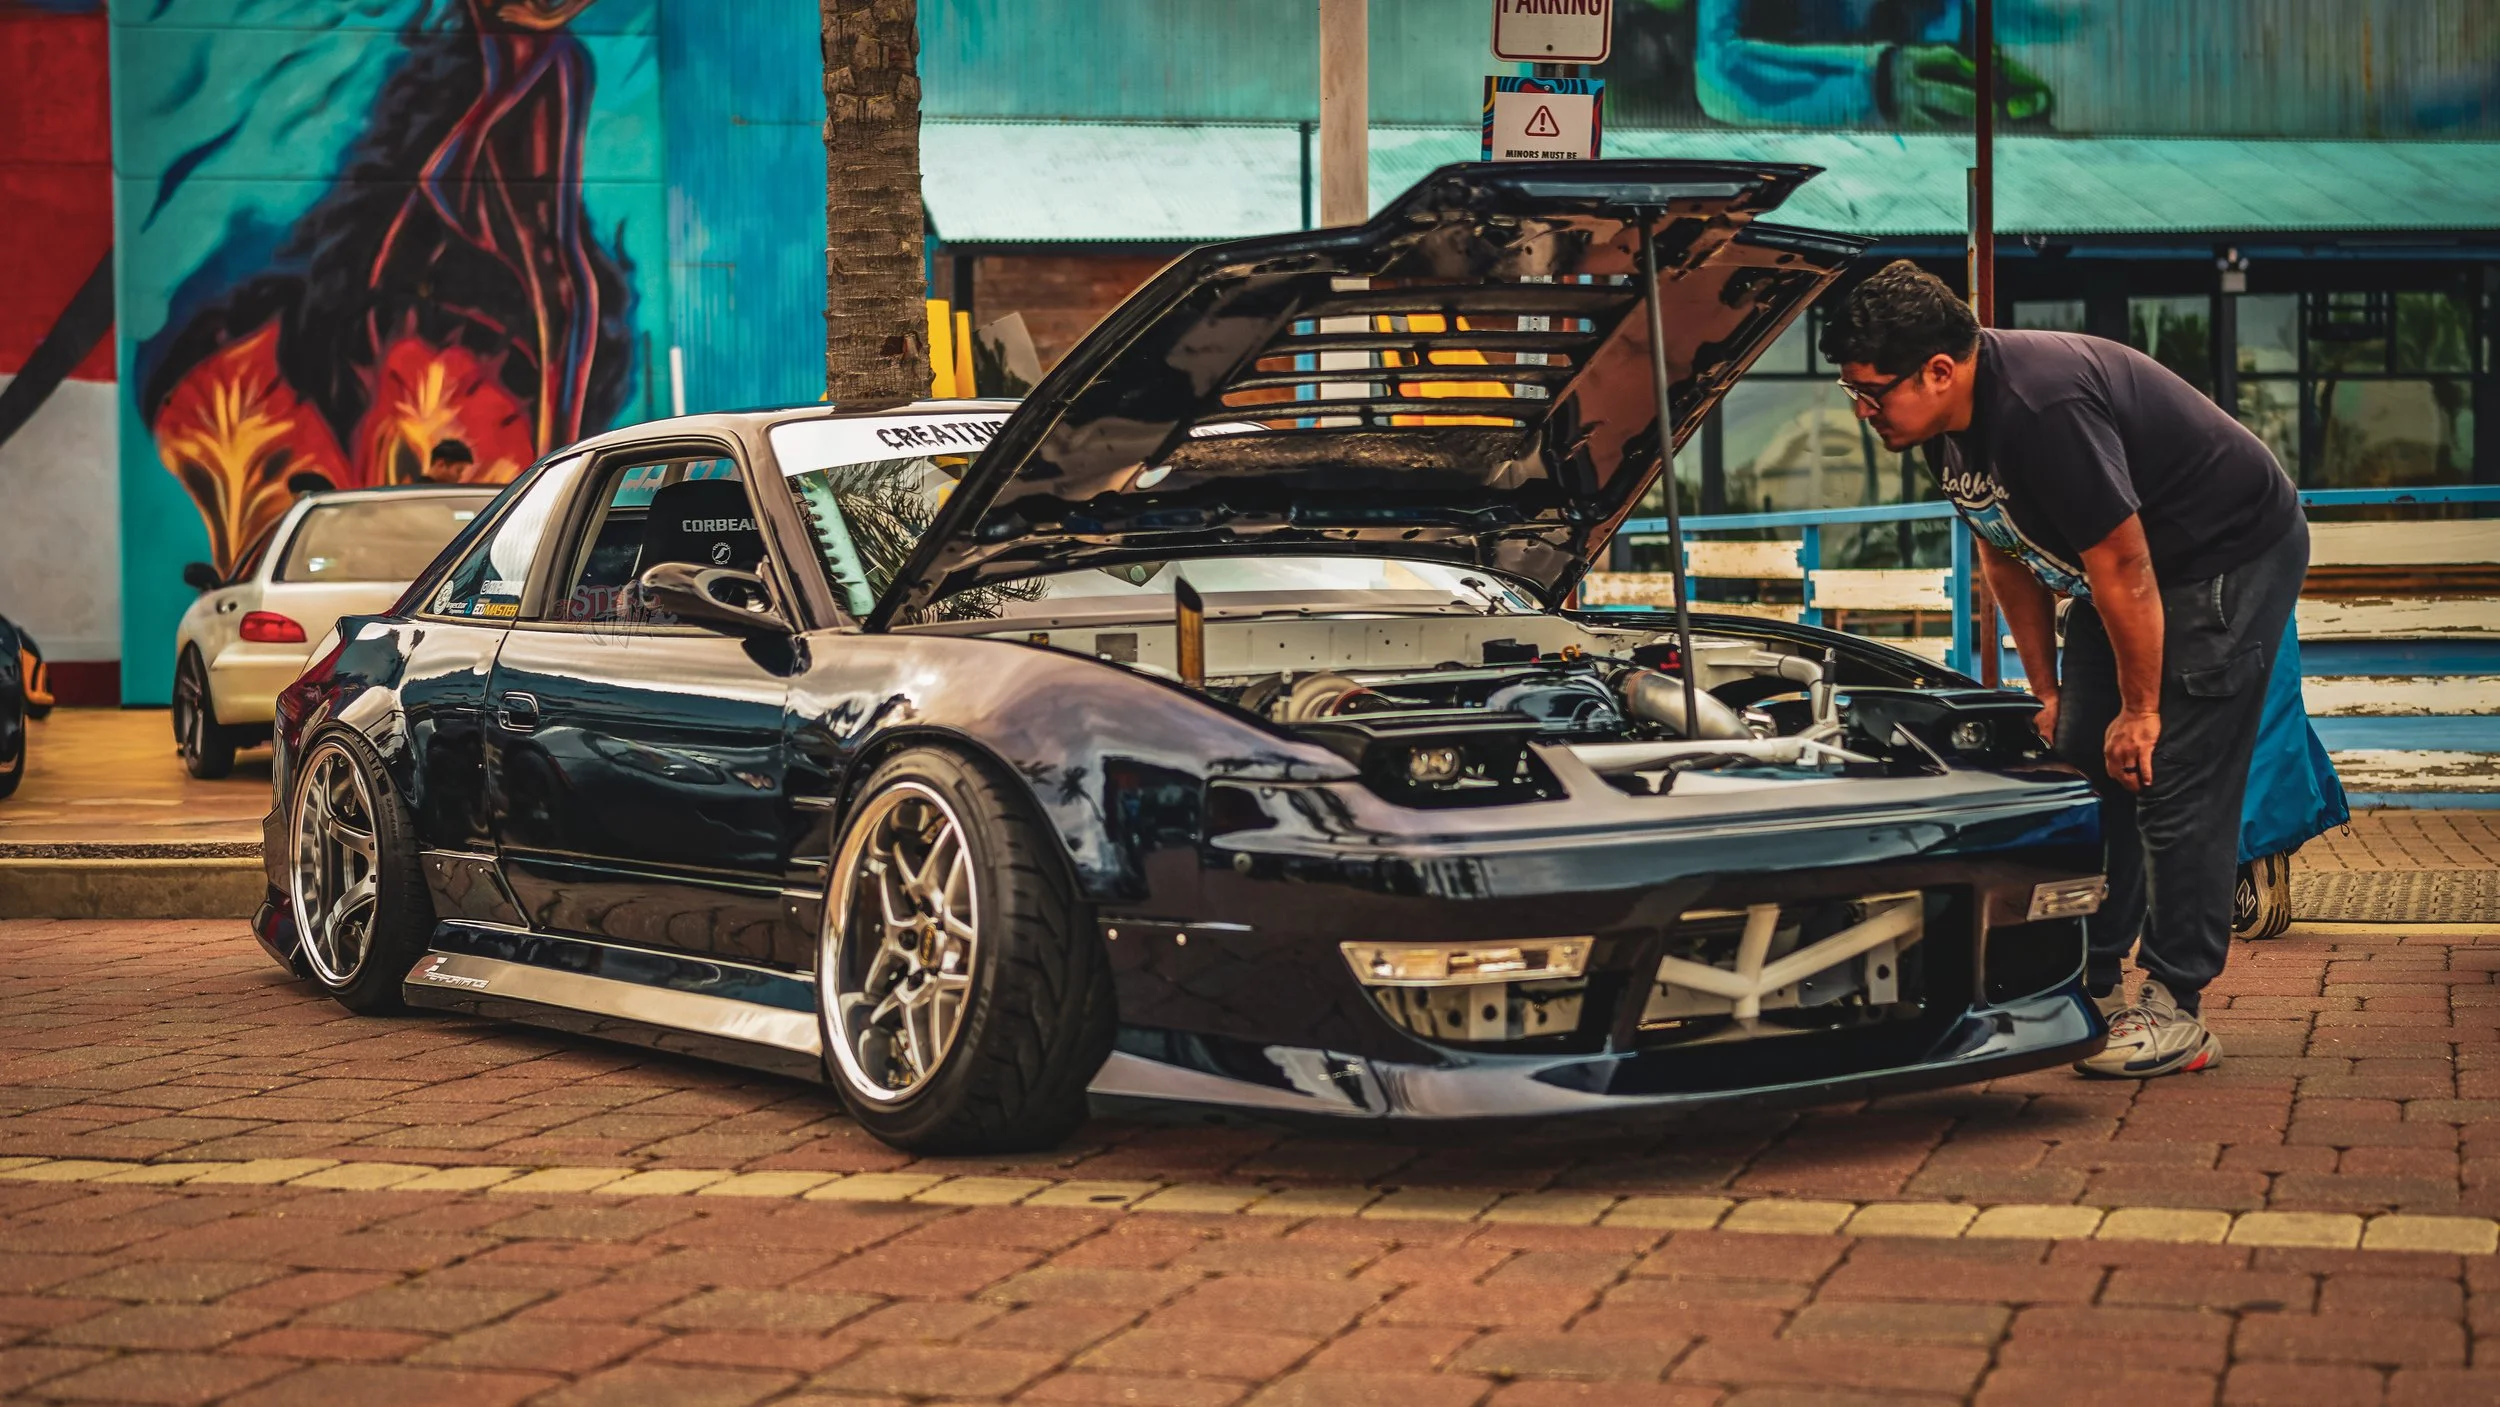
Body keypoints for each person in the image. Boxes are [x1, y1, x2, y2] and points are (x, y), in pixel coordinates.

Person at [1818, 261, 2309, 1078]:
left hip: (2221, 555)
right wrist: (2045, 689)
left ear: (1940, 369)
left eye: (1874, 393)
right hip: (2121, 573)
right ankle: (2091, 974)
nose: (1865, 411)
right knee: (2083, 756)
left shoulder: (2043, 406)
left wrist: (2145, 709)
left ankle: (2176, 1007)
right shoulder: (1945, 424)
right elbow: (2002, 547)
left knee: (2167, 771)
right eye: (1852, 396)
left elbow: (2125, 562)